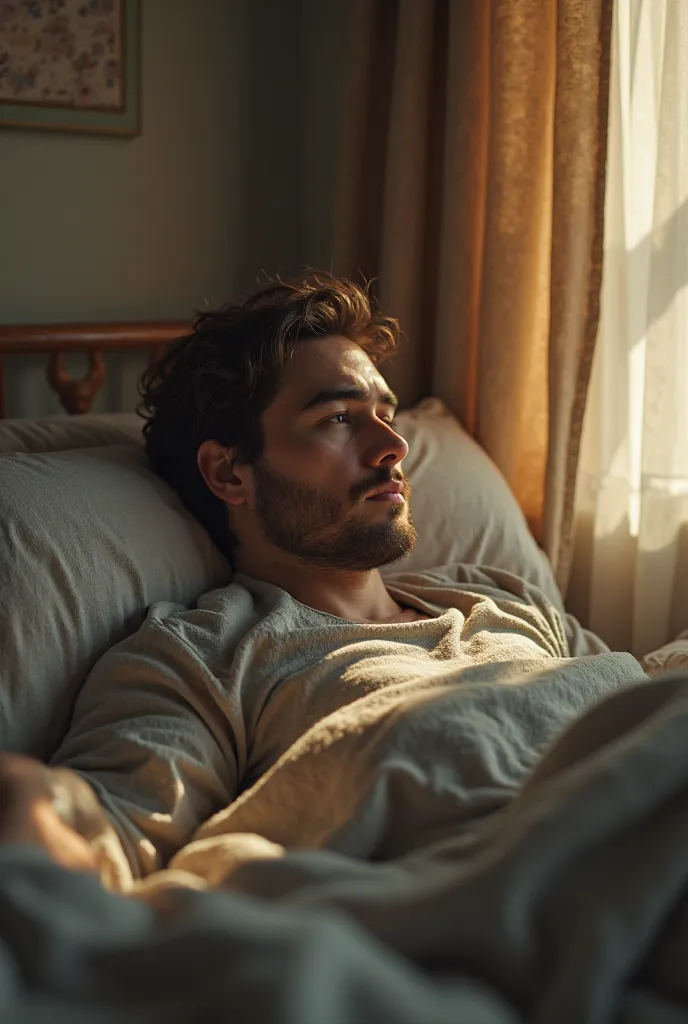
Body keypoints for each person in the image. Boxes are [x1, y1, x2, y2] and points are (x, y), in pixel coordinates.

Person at [0, 272, 645, 886]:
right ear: (230, 474)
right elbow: (110, 831)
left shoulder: (500, 595)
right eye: (338, 418)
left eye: (385, 412)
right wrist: (35, 801)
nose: (393, 445)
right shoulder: (208, 658)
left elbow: (645, 714)